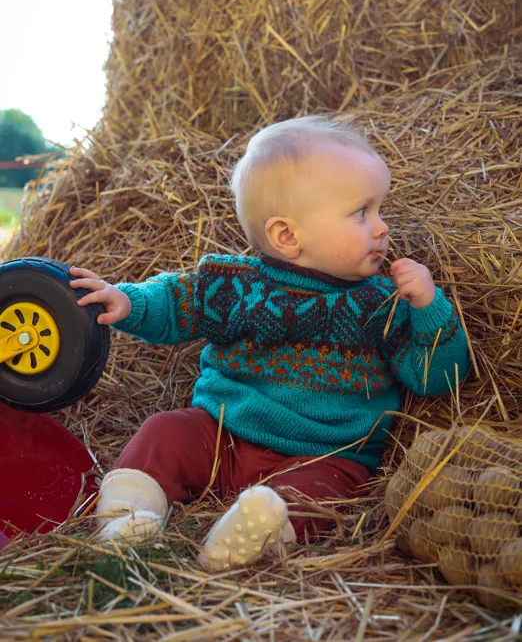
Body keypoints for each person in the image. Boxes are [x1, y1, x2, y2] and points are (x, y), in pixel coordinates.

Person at [70, 115, 470, 571]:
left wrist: (429, 308)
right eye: (361, 212)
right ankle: (128, 518)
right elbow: (174, 300)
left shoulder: (382, 304)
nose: (381, 227)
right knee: (164, 432)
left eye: (380, 210)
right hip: (221, 438)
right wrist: (128, 300)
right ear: (287, 235)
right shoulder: (233, 284)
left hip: (322, 456)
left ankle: (255, 532)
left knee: (332, 492)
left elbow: (438, 377)